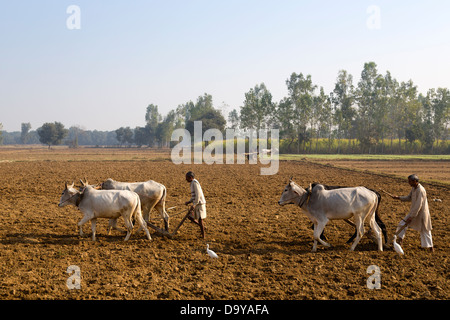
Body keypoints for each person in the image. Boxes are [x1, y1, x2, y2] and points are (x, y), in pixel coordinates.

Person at [391, 174, 433, 252]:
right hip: (414, 212)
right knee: (401, 224)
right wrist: (398, 198)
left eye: (410, 181)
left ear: (415, 181)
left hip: (421, 214)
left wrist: (411, 217)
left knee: (425, 230)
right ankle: (400, 241)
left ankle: (431, 247)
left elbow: (418, 205)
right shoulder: (414, 188)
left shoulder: (421, 190)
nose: (409, 183)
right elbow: (409, 197)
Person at [184, 171, 207, 238]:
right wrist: (189, 201)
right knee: (190, 217)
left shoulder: (195, 183)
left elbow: (198, 194)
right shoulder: (192, 183)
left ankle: (203, 236)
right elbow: (194, 195)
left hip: (199, 204)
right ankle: (202, 227)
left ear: (190, 177)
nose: (186, 179)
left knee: (200, 219)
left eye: (187, 178)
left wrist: (194, 204)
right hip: (197, 203)